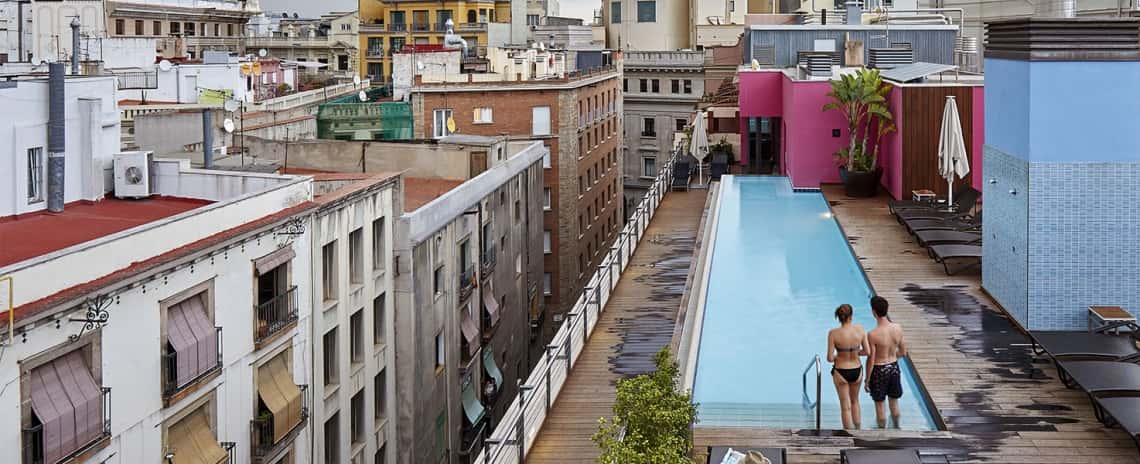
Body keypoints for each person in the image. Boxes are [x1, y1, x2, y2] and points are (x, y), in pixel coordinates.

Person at [865, 295, 906, 428]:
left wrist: (867, 380)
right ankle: (897, 427)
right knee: (894, 402)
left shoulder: (872, 334)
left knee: (880, 404)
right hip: (894, 368)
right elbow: (903, 352)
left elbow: (871, 360)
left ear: (874, 312)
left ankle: (882, 432)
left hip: (879, 370)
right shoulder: (898, 328)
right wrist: (892, 357)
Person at [826, 304, 868, 429]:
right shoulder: (860, 330)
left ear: (839, 317)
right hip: (857, 370)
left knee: (845, 406)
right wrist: (855, 352)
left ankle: (848, 436)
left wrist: (840, 355)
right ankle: (858, 430)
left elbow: (829, 358)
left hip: (841, 371)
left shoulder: (833, 333)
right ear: (851, 316)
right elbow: (867, 351)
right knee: (855, 401)